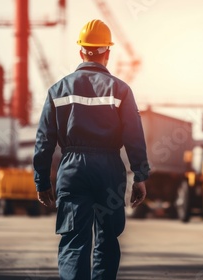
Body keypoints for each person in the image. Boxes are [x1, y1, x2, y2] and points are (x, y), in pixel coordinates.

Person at [33, 19, 150, 280]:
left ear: (81, 51)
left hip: (72, 170)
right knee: (107, 239)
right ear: (107, 52)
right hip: (108, 170)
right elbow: (134, 136)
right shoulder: (121, 90)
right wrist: (140, 176)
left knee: (74, 239)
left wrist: (42, 181)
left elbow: (44, 140)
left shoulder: (57, 90)